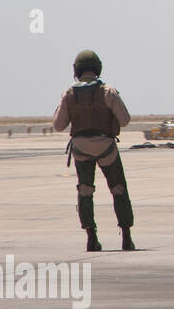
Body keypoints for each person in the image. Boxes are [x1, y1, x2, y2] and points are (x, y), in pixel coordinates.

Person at [52, 50, 135, 252]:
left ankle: (91, 237)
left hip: (80, 147)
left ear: (77, 70)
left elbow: (58, 125)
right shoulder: (107, 91)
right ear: (97, 67)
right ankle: (126, 236)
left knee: (85, 191)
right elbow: (125, 120)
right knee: (118, 189)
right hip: (105, 145)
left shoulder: (69, 93)